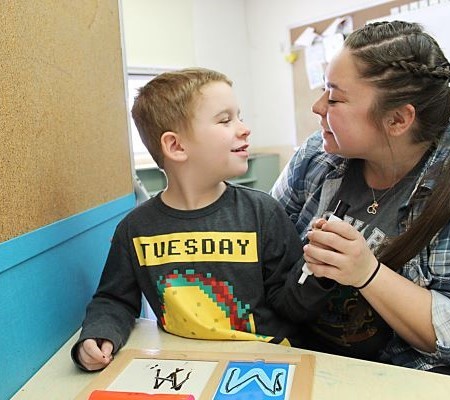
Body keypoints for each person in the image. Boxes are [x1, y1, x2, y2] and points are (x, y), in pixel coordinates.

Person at [271, 21, 450, 397]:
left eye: (334, 98)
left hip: (425, 373)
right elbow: (269, 246)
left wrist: (366, 272)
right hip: (320, 356)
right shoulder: (317, 158)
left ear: (398, 120)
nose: (318, 107)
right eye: (324, 90)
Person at [71, 68, 305, 371]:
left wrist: (319, 274)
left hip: (265, 364)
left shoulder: (263, 213)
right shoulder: (135, 229)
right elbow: (114, 299)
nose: (245, 128)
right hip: (185, 368)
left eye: (240, 116)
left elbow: (293, 304)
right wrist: (99, 334)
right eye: (225, 120)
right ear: (176, 146)